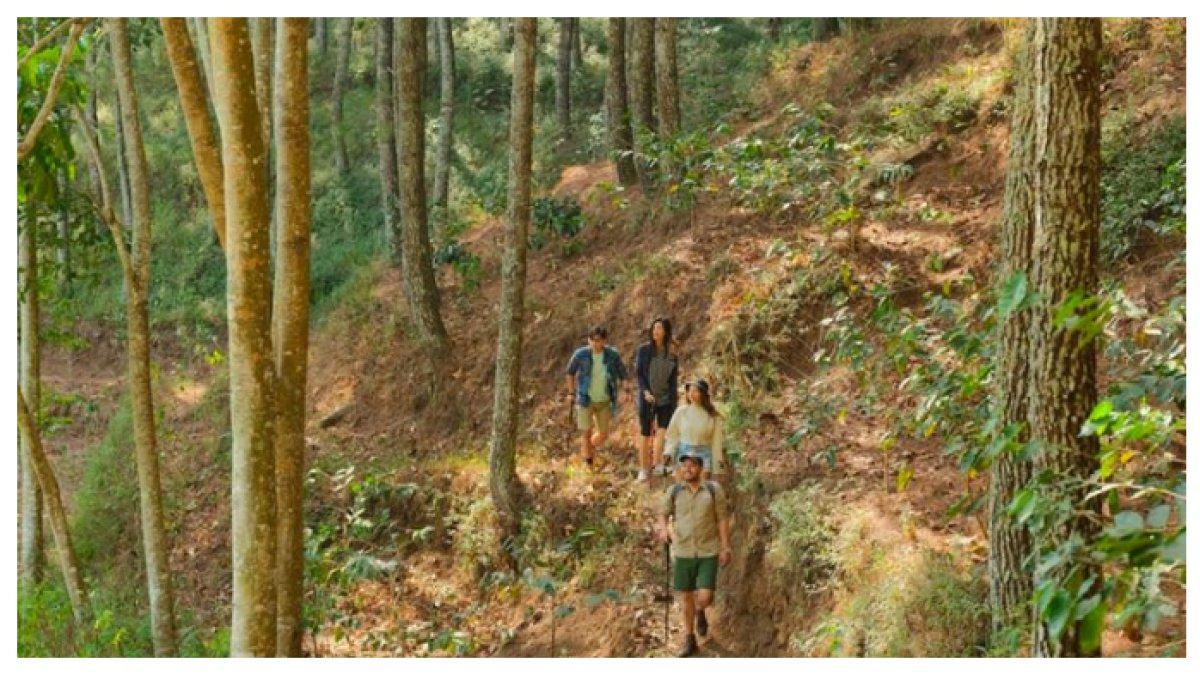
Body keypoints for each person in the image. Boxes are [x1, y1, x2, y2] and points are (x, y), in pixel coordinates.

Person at [656, 450, 732, 657]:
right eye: (684, 465)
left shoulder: (713, 490)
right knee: (686, 596)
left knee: (705, 596)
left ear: (701, 468)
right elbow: (663, 514)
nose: (687, 469)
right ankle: (689, 639)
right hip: (683, 551)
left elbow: (722, 519)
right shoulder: (674, 492)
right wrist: (663, 529)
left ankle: (701, 611)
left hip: (708, 550)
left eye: (692, 465)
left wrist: (726, 546)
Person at [564, 325, 629, 470]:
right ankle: (588, 463)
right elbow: (570, 372)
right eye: (591, 340)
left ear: (604, 341)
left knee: (603, 434)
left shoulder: (612, 355)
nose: (594, 343)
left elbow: (622, 372)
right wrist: (571, 392)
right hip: (585, 398)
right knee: (586, 432)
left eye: (598, 340)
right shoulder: (581, 354)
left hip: (605, 399)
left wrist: (626, 388)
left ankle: (588, 448)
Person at [633, 317, 679, 481]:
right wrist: (645, 392)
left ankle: (658, 464)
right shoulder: (643, 350)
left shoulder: (672, 355)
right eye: (654, 328)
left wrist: (674, 401)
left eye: (659, 328)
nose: (655, 331)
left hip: (665, 398)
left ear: (665, 332)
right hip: (647, 397)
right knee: (645, 433)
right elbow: (639, 374)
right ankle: (644, 468)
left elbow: (673, 380)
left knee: (662, 430)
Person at [663, 378, 726, 479]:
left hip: (703, 454)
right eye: (689, 391)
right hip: (683, 453)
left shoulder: (713, 416)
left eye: (695, 391)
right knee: (681, 490)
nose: (691, 394)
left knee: (701, 490)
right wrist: (669, 452)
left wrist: (718, 467)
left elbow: (716, 443)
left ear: (703, 393)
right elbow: (672, 435)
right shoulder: (681, 412)